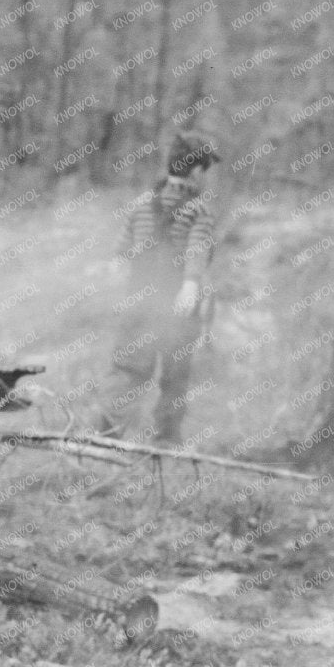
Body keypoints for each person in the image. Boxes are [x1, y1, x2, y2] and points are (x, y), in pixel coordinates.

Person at [99, 127, 222, 444]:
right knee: (175, 377)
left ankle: (107, 436)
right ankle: (165, 441)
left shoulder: (142, 203)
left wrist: (115, 269)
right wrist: (191, 284)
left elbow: (120, 250)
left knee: (127, 370)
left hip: (138, 301)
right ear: (195, 170)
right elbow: (197, 247)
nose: (205, 176)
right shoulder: (200, 209)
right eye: (205, 168)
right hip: (175, 304)